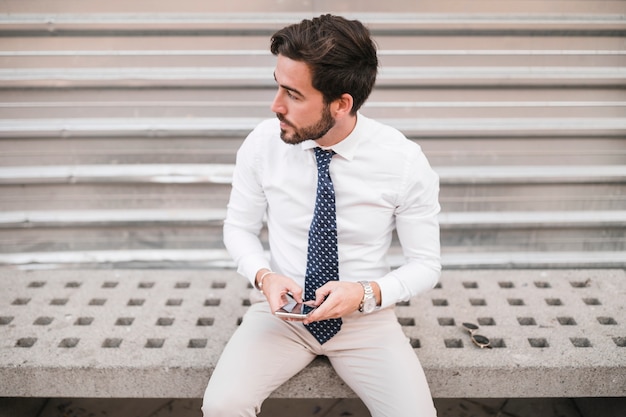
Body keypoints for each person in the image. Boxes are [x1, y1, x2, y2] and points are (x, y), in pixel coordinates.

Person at [202, 14, 440, 417]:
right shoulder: (263, 144)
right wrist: (265, 276)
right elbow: (238, 227)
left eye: (293, 95)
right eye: (277, 86)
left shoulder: (403, 162)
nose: (275, 105)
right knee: (223, 405)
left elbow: (426, 265)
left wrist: (365, 293)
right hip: (282, 315)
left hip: (366, 320)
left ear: (341, 103)